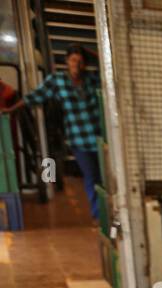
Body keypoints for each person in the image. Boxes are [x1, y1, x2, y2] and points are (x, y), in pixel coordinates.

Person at [1, 46, 102, 220]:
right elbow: (34, 96)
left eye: (80, 61)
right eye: (73, 60)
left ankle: (104, 212)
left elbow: (108, 68)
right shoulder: (57, 81)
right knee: (91, 176)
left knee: (103, 177)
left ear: (85, 64)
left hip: (99, 138)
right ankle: (98, 214)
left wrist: (90, 52)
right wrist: (10, 110)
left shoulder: (92, 80)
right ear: (66, 62)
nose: (76, 65)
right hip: (79, 140)